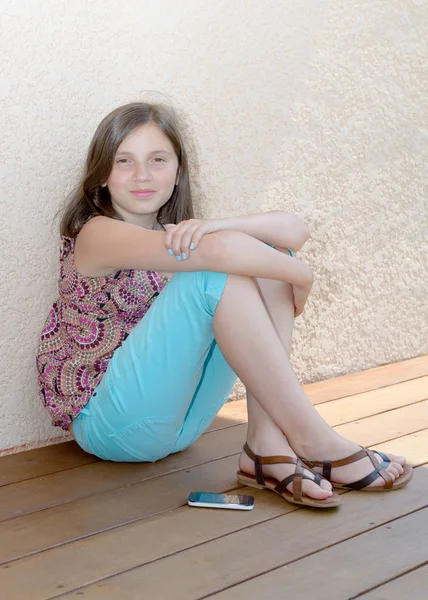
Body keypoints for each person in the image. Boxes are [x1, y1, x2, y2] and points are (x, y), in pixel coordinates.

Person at [36, 102, 412, 509]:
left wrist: (222, 227)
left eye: (157, 160)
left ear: (178, 172)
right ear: (102, 175)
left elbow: (293, 230)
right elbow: (224, 257)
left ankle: (265, 447)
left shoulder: (179, 236)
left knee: (262, 257)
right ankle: (311, 437)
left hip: (181, 425)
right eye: (123, 161)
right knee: (220, 271)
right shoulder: (97, 233)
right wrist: (301, 275)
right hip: (111, 425)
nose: (142, 175)